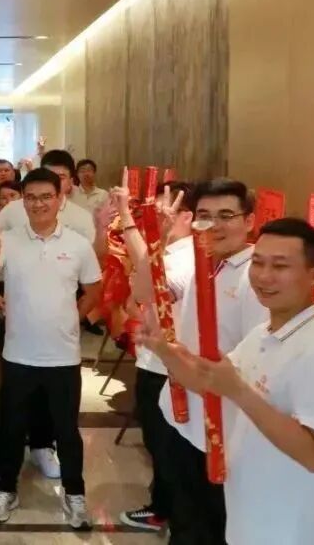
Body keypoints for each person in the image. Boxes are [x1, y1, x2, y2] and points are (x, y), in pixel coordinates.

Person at [136, 218, 314, 545]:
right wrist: (163, 350)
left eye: (280, 266)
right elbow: (209, 381)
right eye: (258, 262)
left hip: (291, 532)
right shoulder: (264, 333)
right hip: (249, 520)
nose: (264, 276)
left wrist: (239, 391)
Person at [119, 177, 269, 545]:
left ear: (249, 221)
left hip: (222, 431)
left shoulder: (258, 278)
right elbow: (143, 292)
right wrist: (158, 240)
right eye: (205, 216)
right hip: (182, 417)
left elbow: (254, 368)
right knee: (185, 519)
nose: (213, 225)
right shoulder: (198, 261)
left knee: (211, 526)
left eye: (226, 215)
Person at [0, 168, 103, 529]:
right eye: (30, 197)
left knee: (67, 432)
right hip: (18, 355)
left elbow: (94, 289)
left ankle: (75, 496)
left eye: (46, 196)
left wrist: (74, 318)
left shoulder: (77, 244)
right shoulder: (9, 240)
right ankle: (6, 489)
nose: (38, 204)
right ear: (23, 201)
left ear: (60, 199)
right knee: (12, 428)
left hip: (63, 357)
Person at [116, 180, 194, 533]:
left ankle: (169, 513)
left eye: (167, 208)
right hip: (157, 361)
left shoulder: (184, 259)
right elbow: (140, 273)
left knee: (165, 446)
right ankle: (164, 507)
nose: (159, 213)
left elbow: (143, 291)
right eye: (156, 206)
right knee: (159, 442)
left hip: (166, 368)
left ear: (188, 216)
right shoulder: (171, 250)